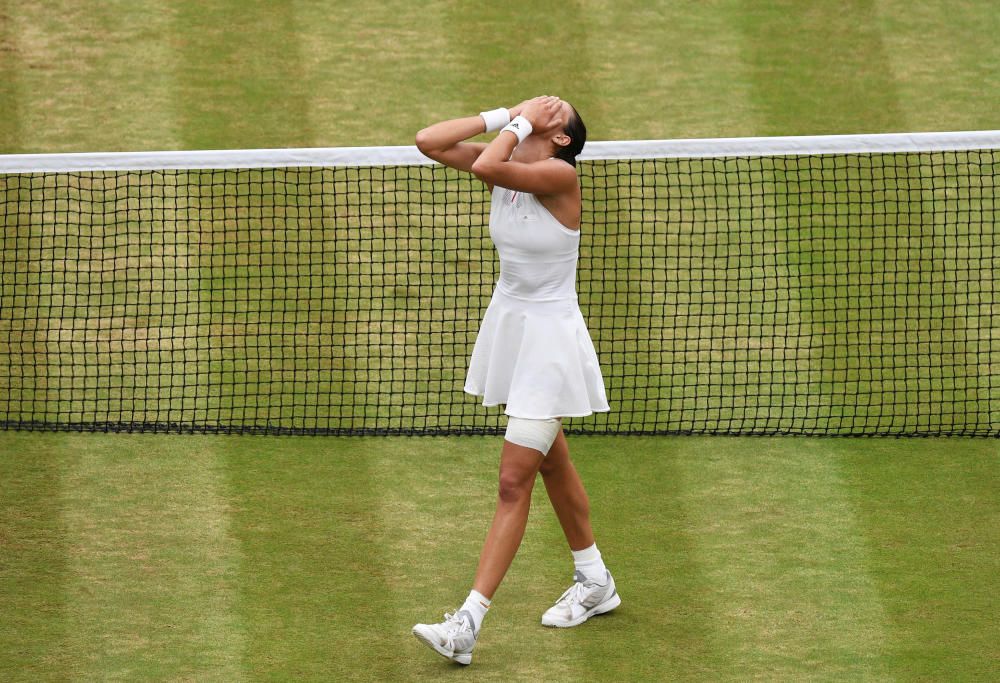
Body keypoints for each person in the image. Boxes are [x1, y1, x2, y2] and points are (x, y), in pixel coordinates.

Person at [411, 96, 619, 666]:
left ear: (561, 139)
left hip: (549, 345)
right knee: (552, 462)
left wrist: (523, 120)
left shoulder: (557, 175)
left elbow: (484, 165)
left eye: (557, 109)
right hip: (511, 330)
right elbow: (429, 140)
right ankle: (595, 580)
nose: (546, 101)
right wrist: (506, 115)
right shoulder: (509, 163)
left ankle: (466, 624)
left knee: (512, 481)